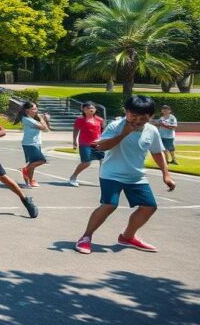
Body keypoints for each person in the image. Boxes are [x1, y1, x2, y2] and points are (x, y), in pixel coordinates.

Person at [74, 95, 175, 254]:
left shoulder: (152, 130)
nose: (138, 120)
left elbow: (157, 152)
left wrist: (166, 174)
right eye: (133, 116)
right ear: (126, 112)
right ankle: (86, 237)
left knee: (149, 207)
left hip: (136, 175)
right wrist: (123, 134)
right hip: (111, 174)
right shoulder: (116, 126)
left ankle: (127, 237)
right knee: (109, 205)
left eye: (143, 117)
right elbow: (102, 147)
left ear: (151, 117)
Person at [14, 101, 51, 188]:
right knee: (42, 160)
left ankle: (29, 181)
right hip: (30, 144)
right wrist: (43, 119)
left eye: (36, 108)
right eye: (33, 109)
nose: (36, 110)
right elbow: (43, 127)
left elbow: (46, 130)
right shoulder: (27, 119)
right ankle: (25, 169)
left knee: (33, 163)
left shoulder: (33, 119)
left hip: (35, 143)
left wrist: (44, 119)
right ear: (27, 110)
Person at [70, 101, 105, 187]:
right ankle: (73, 177)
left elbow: (103, 131)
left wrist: (103, 141)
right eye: (88, 108)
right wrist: (74, 141)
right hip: (85, 143)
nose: (91, 109)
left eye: (93, 108)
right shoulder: (80, 119)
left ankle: (103, 180)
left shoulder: (100, 120)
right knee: (86, 162)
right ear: (83, 109)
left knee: (103, 162)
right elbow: (76, 130)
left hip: (98, 144)